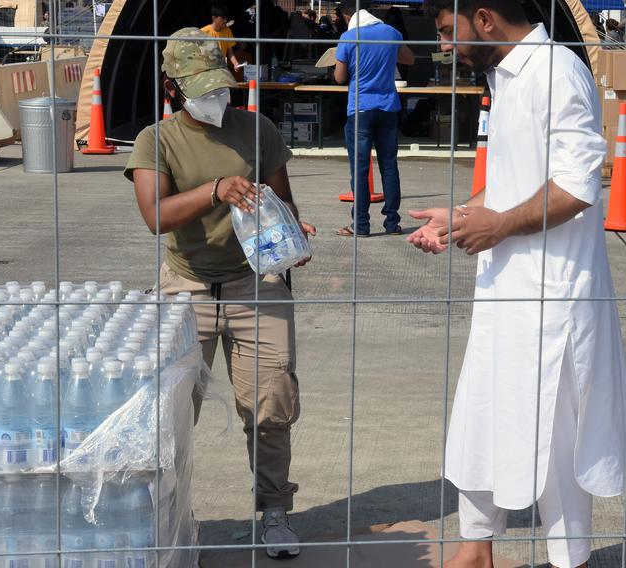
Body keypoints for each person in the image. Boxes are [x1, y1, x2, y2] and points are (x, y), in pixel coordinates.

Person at [412, 1, 626, 567]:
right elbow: (515, 186)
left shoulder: (556, 71)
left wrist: (497, 224)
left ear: (485, 18)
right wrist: (464, 215)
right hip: (506, 290)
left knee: (556, 438)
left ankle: (570, 559)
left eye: (449, 31)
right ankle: (476, 546)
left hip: (554, 298)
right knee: (486, 412)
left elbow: (576, 184)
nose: (445, 47)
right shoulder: (508, 75)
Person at [124, 28, 316, 560]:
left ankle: (274, 510)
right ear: (172, 87)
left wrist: (293, 238)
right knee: (172, 411)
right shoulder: (155, 140)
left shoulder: (259, 130)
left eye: (221, 87)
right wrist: (214, 189)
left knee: (272, 402)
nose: (216, 99)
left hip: (256, 284)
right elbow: (154, 216)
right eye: (202, 90)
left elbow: (282, 202)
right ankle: (170, 511)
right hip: (185, 287)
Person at [333, 4, 415, 237]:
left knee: (359, 168)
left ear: (347, 15)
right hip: (389, 107)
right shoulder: (391, 33)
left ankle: (360, 225)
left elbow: (340, 78)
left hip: (359, 109)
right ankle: (392, 223)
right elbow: (409, 59)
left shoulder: (348, 37)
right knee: (389, 165)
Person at [201, 4, 241, 69]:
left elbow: (230, 53)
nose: (225, 20)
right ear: (214, 18)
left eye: (225, 18)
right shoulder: (203, 32)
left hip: (223, 67)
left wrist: (236, 64)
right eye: (222, 18)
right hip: (208, 69)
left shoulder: (228, 31)